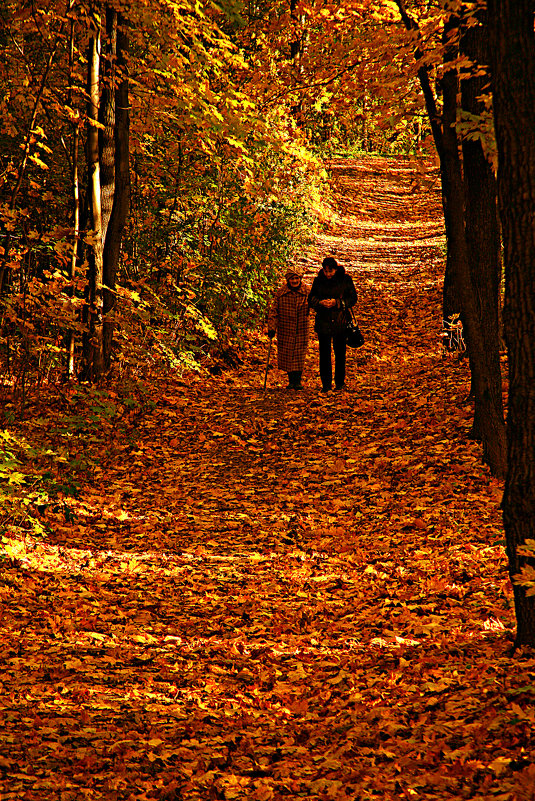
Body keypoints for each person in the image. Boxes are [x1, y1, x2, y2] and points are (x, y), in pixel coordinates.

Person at [308, 256, 357, 392]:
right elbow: (311, 298)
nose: (328, 274)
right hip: (323, 320)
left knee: (340, 353)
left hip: (340, 320)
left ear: (336, 269)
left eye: (331, 271)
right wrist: (320, 303)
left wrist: (338, 303)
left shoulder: (345, 280)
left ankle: (340, 382)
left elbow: (353, 298)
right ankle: (326, 384)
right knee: (324, 354)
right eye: (326, 271)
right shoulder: (318, 281)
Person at [267, 268, 310, 390]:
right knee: (287, 354)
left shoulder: (307, 291)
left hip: (301, 327)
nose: (295, 281)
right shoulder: (281, 293)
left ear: (300, 279)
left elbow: (316, 304)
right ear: (288, 280)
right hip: (286, 327)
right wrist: (271, 328)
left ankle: (297, 381)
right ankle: (291, 381)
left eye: (297, 278)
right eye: (292, 278)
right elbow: (273, 311)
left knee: (299, 353)